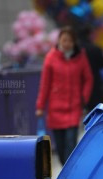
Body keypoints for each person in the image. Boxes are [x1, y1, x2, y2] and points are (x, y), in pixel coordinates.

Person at [36, 26, 93, 165]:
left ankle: (70, 177)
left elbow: (88, 78)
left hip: (74, 108)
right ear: (59, 41)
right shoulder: (50, 58)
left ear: (74, 42)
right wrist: (40, 106)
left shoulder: (81, 57)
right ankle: (66, 171)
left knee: (71, 145)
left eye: (70, 40)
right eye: (64, 40)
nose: (67, 43)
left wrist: (83, 98)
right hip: (55, 110)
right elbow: (45, 84)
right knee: (61, 149)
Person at [78, 25, 103, 109]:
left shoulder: (75, 50)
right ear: (89, 34)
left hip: (78, 84)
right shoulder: (95, 49)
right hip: (95, 85)